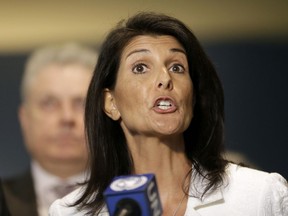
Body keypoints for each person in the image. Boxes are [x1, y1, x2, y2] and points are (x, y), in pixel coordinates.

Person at [49, 12, 288, 216]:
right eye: (140, 68)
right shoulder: (70, 213)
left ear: (192, 97)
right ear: (111, 102)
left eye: (177, 67)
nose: (165, 79)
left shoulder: (258, 196)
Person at [2, 43, 98, 216]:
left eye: (81, 103)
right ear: (25, 118)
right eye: (49, 103)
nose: (66, 117)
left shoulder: (132, 202)